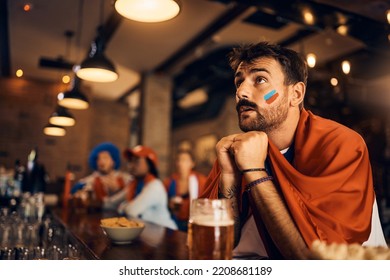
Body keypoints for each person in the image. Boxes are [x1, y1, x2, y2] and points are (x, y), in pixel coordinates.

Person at [200, 42, 387, 260]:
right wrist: (230, 176)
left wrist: (253, 170)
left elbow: (312, 260)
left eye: (260, 79)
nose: (241, 92)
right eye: (239, 81)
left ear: (296, 94)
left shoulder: (340, 144)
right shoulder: (237, 149)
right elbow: (217, 247)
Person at [118, 145, 177, 230]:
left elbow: (132, 211)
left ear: (150, 164)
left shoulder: (155, 186)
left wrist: (123, 206)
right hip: (150, 234)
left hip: (166, 233)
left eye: (136, 161)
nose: (132, 165)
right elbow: (111, 203)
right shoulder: (134, 184)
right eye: (131, 161)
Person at [71, 142, 131, 210]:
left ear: (113, 161)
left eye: (105, 158)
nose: (101, 161)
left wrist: (118, 190)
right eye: (98, 159)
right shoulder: (89, 180)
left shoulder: (126, 179)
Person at [164, 150, 207, 231]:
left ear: (192, 164)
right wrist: (169, 204)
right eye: (178, 160)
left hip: (194, 222)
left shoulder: (201, 181)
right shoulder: (170, 181)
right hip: (174, 223)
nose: (180, 163)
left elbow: (208, 201)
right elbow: (161, 203)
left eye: (184, 160)